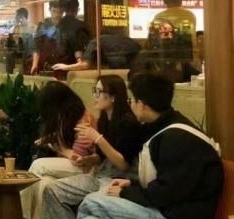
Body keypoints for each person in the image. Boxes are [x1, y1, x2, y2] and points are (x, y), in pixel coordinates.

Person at [77, 72, 223, 219]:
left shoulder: (176, 138)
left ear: (141, 105)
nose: (130, 105)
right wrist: (131, 183)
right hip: (166, 206)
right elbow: (167, 182)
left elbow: (166, 193)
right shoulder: (165, 125)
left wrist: (127, 192)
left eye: (131, 100)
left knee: (91, 202)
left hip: (174, 213)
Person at [41, 75, 144, 219]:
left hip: (118, 180)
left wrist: (97, 138)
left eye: (99, 92)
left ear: (113, 97)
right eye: (94, 91)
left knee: (89, 205)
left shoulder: (128, 123)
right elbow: (101, 157)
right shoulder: (104, 119)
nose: (95, 96)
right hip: (99, 176)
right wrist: (88, 160)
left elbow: (123, 164)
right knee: (51, 190)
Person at [21, 81, 97, 219]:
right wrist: (50, 139)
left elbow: (78, 157)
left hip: (85, 168)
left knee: (38, 165)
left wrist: (57, 147)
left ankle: (21, 214)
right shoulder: (64, 117)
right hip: (71, 166)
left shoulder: (84, 119)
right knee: (44, 183)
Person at [52, 31, 142, 78]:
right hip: (138, 69)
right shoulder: (122, 39)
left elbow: (85, 65)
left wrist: (65, 67)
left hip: (127, 71)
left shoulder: (94, 42)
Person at [53, 0, 92, 80]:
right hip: (75, 70)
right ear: (77, 10)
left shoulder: (57, 25)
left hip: (56, 68)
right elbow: (83, 53)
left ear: (64, 10)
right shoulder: (81, 26)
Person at [31, 0, 63, 74]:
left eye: (59, 12)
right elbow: (37, 47)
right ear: (49, 10)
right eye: (54, 11)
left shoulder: (67, 26)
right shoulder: (43, 26)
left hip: (62, 65)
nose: (56, 15)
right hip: (46, 65)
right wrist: (35, 64)